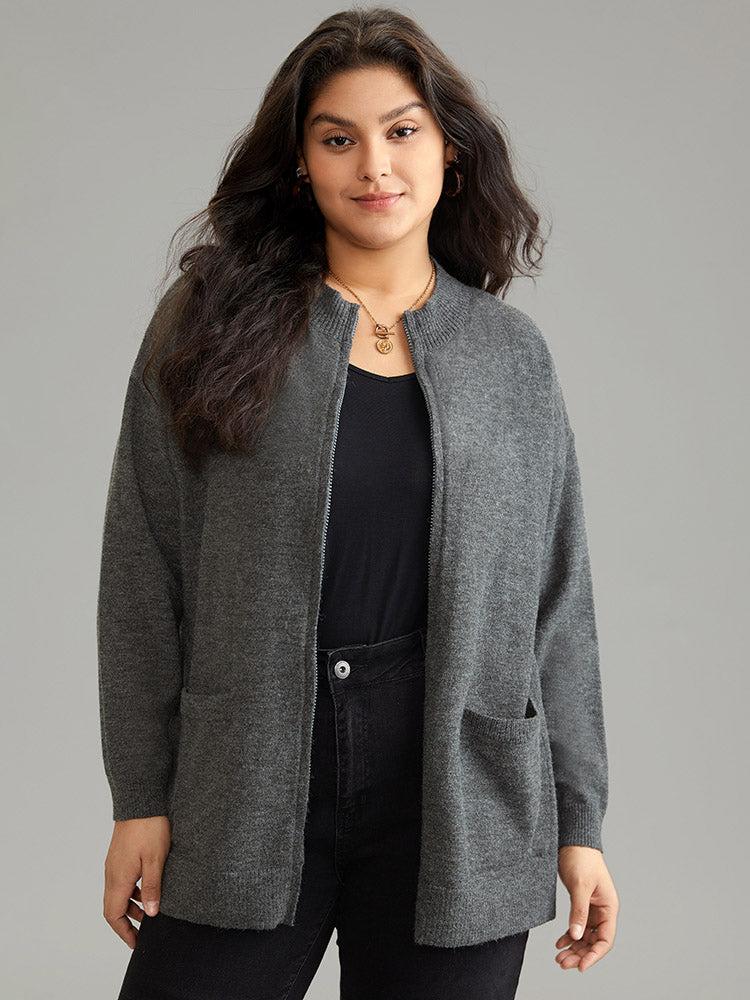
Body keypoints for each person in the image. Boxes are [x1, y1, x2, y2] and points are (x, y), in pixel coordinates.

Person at [97, 8, 619, 999]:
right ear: (301, 165)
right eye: (338, 139)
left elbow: (559, 603)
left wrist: (580, 821)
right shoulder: (209, 325)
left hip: (458, 791)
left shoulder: (510, 358)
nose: (375, 164)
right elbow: (142, 567)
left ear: (450, 150)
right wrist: (140, 797)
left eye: (402, 130)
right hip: (249, 778)